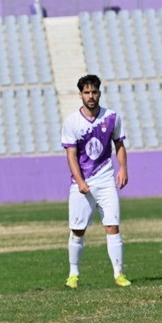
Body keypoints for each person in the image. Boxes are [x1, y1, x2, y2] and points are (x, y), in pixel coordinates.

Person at [61, 74, 130, 289]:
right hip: (82, 185)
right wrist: (80, 181)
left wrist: (123, 168)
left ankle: (119, 274)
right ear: (80, 95)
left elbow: (119, 145)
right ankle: (73, 274)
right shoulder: (72, 121)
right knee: (77, 230)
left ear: (99, 93)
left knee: (112, 226)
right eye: (87, 92)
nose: (91, 96)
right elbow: (71, 155)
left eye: (94, 92)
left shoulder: (112, 117)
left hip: (106, 180)